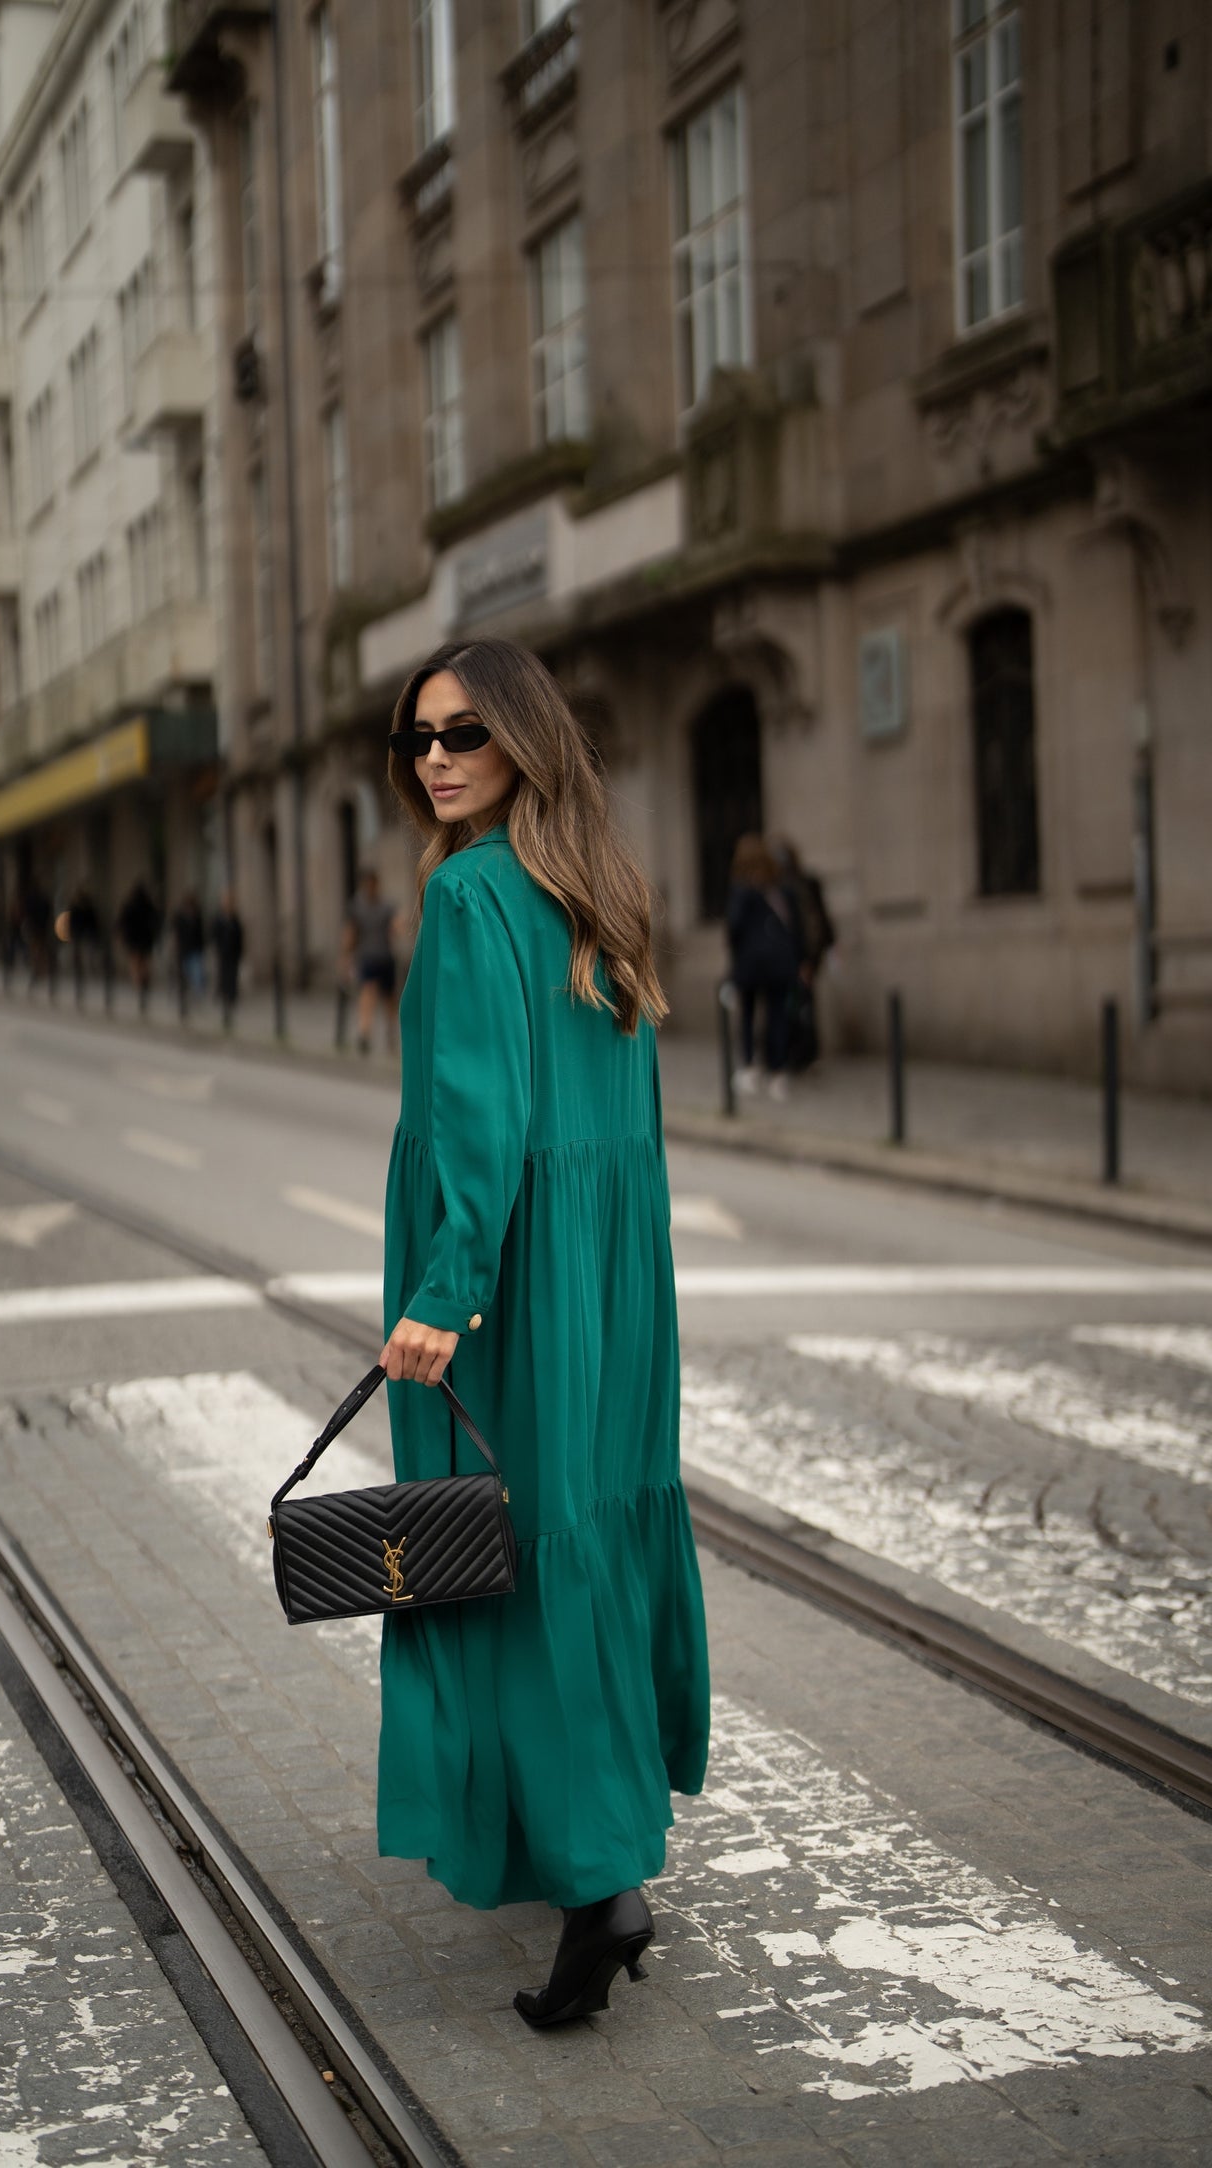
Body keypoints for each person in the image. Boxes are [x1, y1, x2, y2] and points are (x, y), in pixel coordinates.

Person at [377, 636, 710, 2028]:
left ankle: (596, 1892)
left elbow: (478, 1122)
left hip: (507, 1282)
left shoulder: (468, 899)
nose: (438, 759)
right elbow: (623, 1124)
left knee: (497, 1554)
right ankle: (594, 1837)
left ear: (523, 738)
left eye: (464, 733)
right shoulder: (600, 895)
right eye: (418, 741)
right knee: (588, 1537)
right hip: (611, 1284)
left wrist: (443, 1294)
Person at [725, 833, 801, 1103]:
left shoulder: (742, 891)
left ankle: (749, 1068)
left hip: (751, 965)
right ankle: (777, 1072)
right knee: (777, 1017)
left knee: (748, 1016)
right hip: (780, 965)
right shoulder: (779, 888)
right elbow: (795, 927)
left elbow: (733, 929)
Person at [770, 835, 835, 1074]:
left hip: (801, 959)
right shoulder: (781, 887)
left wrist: (808, 960)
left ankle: (803, 1054)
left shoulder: (797, 887)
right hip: (796, 960)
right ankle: (797, 1054)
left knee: (801, 1007)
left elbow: (812, 925)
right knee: (797, 1006)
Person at [341, 867, 401, 1053]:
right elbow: (351, 933)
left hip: (383, 957)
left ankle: (385, 1033)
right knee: (369, 994)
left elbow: (394, 927)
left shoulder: (385, 906)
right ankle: (366, 1032)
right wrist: (345, 956)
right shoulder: (359, 906)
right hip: (370, 957)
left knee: (387, 998)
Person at [117, 878, 162, 1011]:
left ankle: (139, 985)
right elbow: (156, 920)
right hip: (145, 939)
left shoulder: (129, 905)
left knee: (136, 963)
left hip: (134, 939)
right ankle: (144, 983)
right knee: (144, 962)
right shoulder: (148, 905)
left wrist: (122, 935)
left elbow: (122, 921)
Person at [211, 889, 245, 1030]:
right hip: (223, 953)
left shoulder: (235, 918)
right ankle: (225, 998)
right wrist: (217, 948)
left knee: (233, 976)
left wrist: (241, 950)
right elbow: (214, 934)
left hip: (234, 953)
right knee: (224, 976)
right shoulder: (219, 918)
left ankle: (231, 997)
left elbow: (240, 935)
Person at [172, 889, 207, 1009]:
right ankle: (186, 998)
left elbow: (200, 933)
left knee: (197, 974)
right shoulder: (179, 916)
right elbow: (176, 933)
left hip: (195, 949)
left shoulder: (197, 915)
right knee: (186, 975)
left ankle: (197, 996)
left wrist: (202, 946)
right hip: (184, 950)